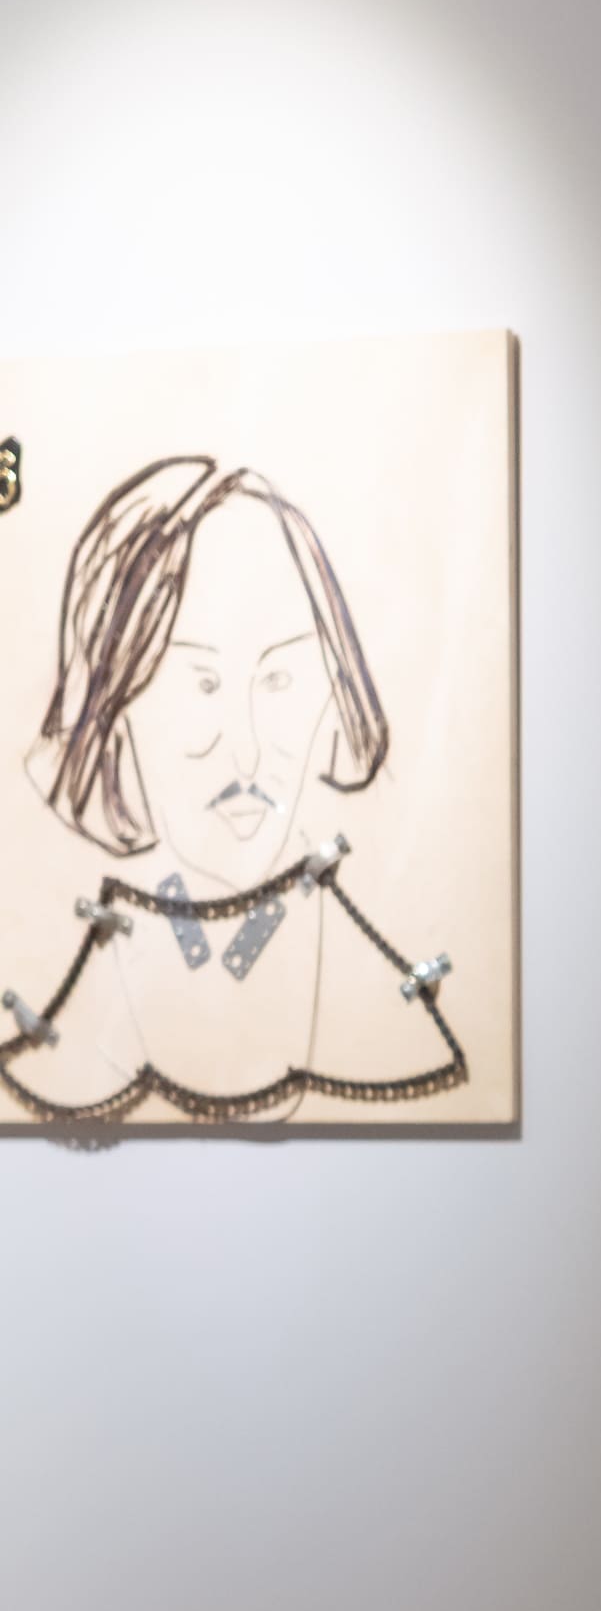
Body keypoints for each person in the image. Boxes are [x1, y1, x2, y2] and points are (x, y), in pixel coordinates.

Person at [2, 455, 456, 1122]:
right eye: (202, 685)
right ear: (117, 704)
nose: (245, 750)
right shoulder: (84, 1009)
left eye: (279, 681)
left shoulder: (387, 1017)